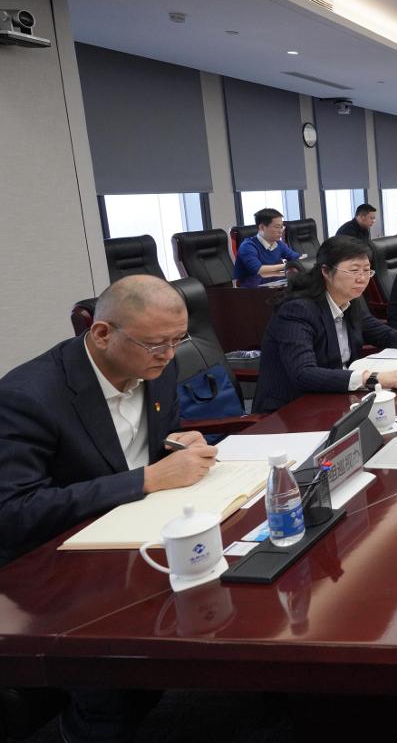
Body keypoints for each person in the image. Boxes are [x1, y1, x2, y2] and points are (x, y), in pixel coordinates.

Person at [0, 275, 219, 741]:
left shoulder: (158, 367)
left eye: (178, 340)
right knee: (114, 696)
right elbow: (15, 511)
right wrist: (146, 479)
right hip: (60, 563)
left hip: (141, 531)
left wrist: (176, 443)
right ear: (102, 334)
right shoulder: (28, 396)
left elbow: (147, 443)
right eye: (156, 344)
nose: (169, 354)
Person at [253, 236, 397, 413]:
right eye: (354, 271)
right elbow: (304, 374)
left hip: (338, 399)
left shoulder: (348, 300)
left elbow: (378, 331)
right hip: (293, 411)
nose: (362, 279)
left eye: (367, 271)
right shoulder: (297, 310)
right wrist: (372, 378)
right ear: (326, 271)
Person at [233, 208, 302, 286]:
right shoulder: (247, 246)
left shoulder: (279, 244)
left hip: (273, 285)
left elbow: (296, 258)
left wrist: (301, 260)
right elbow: (258, 270)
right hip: (250, 289)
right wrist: (287, 265)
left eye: (281, 227)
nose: (280, 231)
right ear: (262, 227)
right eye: (277, 227)